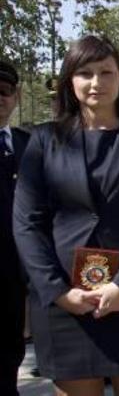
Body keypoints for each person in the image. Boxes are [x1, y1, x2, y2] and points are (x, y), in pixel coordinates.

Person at [13, 35, 119, 396]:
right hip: (66, 304)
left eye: (106, 72)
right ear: (70, 80)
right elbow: (27, 223)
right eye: (85, 73)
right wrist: (56, 291)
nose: (96, 82)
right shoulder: (42, 140)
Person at [0, 60, 28, 395]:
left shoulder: (27, 145)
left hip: (17, 271)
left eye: (5, 91)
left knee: (11, 348)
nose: (0, 98)